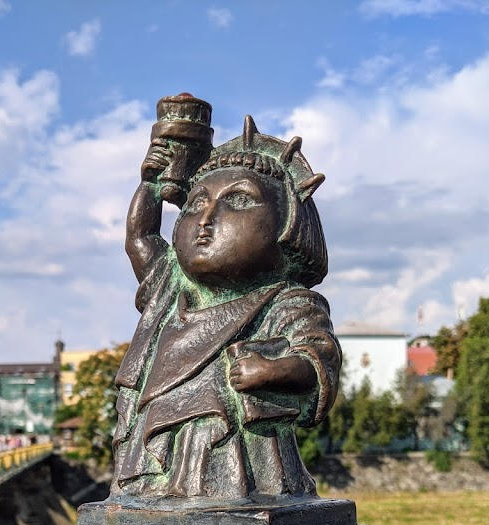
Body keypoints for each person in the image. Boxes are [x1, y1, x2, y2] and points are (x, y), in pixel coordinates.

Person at [111, 98, 340, 501]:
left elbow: (319, 362)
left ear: (287, 225)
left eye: (238, 200)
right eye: (197, 202)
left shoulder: (286, 302)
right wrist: (150, 185)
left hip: (247, 475)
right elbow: (140, 238)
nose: (206, 218)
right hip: (158, 469)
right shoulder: (170, 286)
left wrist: (273, 370)